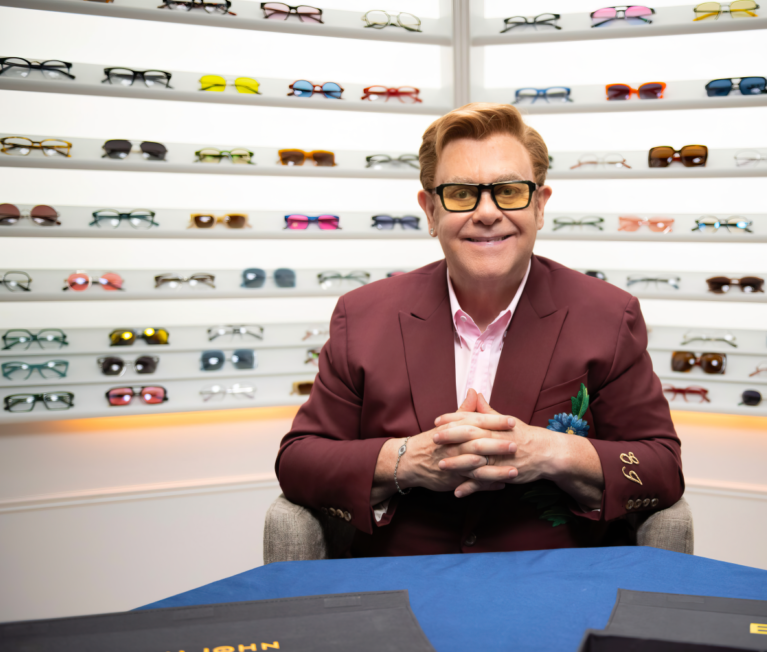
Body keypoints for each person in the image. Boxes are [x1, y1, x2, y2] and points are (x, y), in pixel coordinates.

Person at [276, 103, 683, 557]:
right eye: (460, 193)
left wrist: (550, 452)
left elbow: (661, 468)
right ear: (429, 210)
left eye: (509, 191)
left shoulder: (608, 315)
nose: (487, 212)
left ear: (540, 205)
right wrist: (407, 460)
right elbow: (299, 460)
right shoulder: (363, 315)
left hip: (557, 582)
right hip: (396, 587)